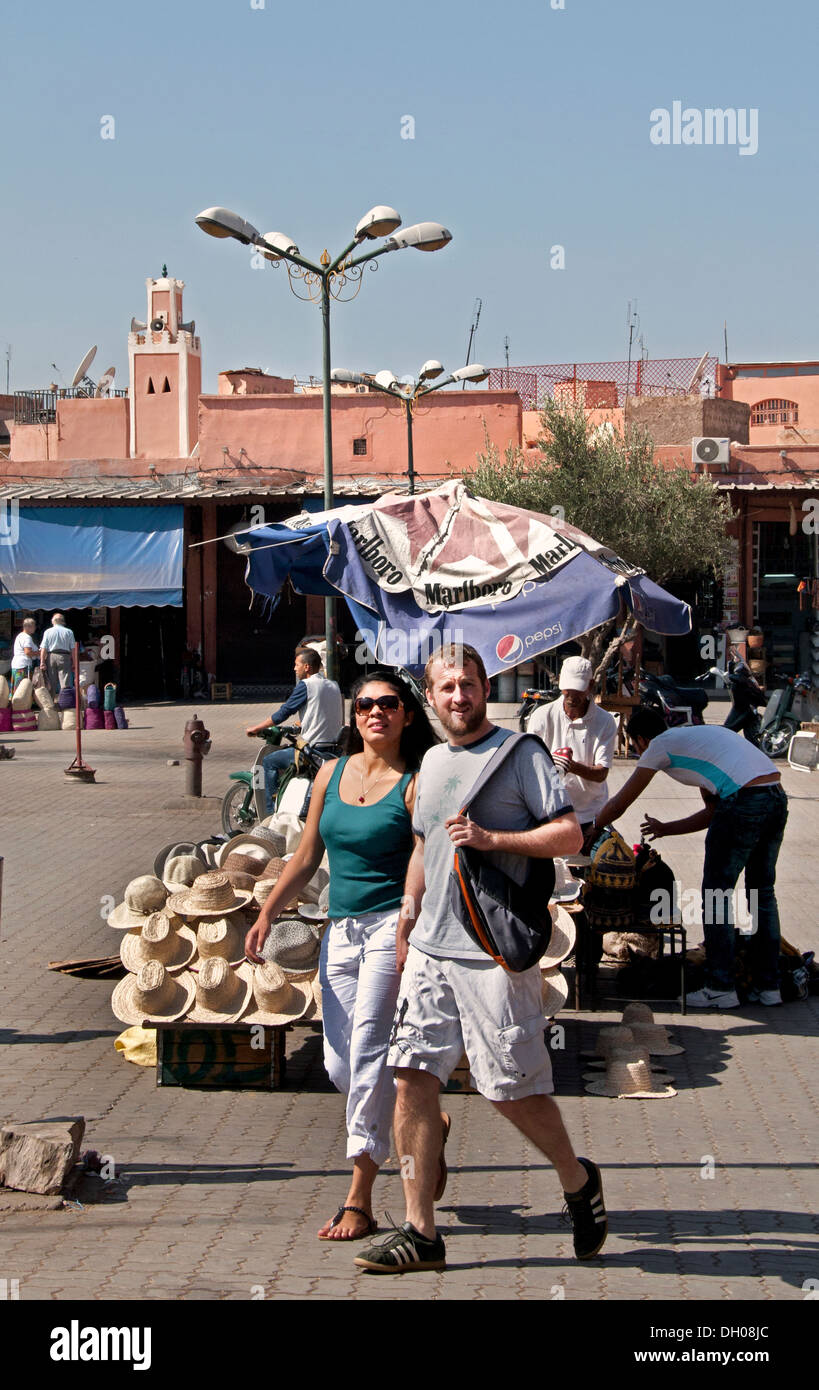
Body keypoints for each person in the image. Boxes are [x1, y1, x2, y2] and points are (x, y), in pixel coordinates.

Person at [354, 644, 608, 1275]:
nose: (457, 697)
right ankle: (421, 1232)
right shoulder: (433, 761)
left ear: (485, 686)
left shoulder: (520, 754)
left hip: (492, 953)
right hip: (431, 950)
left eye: (467, 684)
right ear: (430, 697)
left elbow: (570, 835)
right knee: (410, 1078)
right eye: (445, 688)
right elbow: (421, 848)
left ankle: (578, 1180)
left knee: (508, 1089)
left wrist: (494, 839)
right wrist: (408, 918)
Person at [246, 669, 440, 1241]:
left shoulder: (416, 780)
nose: (375, 712)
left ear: (406, 715)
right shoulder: (329, 772)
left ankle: (359, 1196)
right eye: (364, 705)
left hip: (389, 928)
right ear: (353, 716)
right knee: (338, 1063)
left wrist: (406, 923)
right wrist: (267, 912)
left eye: (388, 703)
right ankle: (430, 1123)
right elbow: (306, 856)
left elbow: (422, 859)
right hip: (340, 927)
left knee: (369, 1056)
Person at [589, 708, 788, 1010]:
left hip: (745, 799)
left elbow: (618, 804)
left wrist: (590, 832)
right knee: (763, 893)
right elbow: (713, 812)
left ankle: (720, 986)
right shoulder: (696, 738)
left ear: (640, 740)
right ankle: (769, 986)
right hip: (774, 795)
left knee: (717, 895)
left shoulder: (658, 746)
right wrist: (666, 829)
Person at [528, 655, 617, 839]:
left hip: (590, 814)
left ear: (590, 686)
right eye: (567, 691)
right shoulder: (541, 716)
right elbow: (529, 766)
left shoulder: (605, 721)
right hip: (550, 812)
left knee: (609, 862)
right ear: (560, 684)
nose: (571, 697)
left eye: (578, 691)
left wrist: (571, 766)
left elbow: (601, 773)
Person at [245, 647, 343, 811]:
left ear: (307, 667)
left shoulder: (306, 685)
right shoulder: (333, 685)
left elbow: (283, 713)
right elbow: (322, 710)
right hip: (333, 750)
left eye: (296, 664)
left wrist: (256, 728)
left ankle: (270, 815)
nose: (294, 668)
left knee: (268, 762)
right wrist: (301, 723)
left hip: (312, 751)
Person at [39, 613, 77, 691]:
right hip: (64, 656)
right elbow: (73, 649)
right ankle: (65, 700)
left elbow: (43, 648)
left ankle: (51, 701)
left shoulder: (47, 631)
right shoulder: (69, 632)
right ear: (63, 622)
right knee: (65, 681)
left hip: (51, 656)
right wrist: (74, 662)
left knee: (51, 681)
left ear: (53, 621)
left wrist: (42, 662)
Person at [11, 617, 39, 693]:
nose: (35, 628)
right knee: (23, 688)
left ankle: (16, 703)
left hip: (17, 664)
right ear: (28, 627)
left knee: (17, 687)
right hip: (23, 665)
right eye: (34, 626)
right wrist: (39, 653)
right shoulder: (27, 638)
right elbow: (28, 652)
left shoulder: (20, 635)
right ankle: (20, 704)